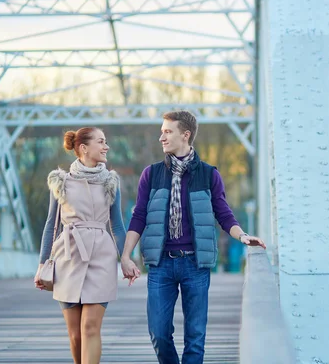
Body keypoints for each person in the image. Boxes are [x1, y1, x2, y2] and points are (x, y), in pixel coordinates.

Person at [121, 110, 266, 364]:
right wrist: (125, 255)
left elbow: (224, 214)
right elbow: (139, 217)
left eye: (167, 131)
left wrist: (242, 236)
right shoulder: (151, 174)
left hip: (195, 265)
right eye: (161, 131)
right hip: (161, 264)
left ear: (185, 135)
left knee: (196, 338)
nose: (161, 137)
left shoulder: (209, 175)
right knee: (159, 332)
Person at [34, 127, 127, 364]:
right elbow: (50, 226)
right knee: (75, 335)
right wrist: (42, 264)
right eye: (101, 142)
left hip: (101, 258)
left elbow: (117, 226)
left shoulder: (111, 183)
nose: (106, 147)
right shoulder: (60, 181)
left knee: (90, 327)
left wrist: (126, 258)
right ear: (84, 148)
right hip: (68, 257)